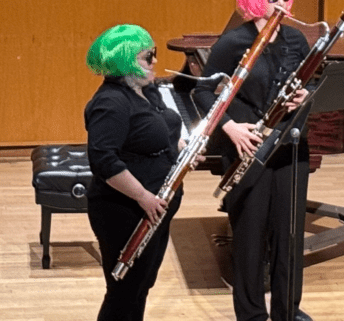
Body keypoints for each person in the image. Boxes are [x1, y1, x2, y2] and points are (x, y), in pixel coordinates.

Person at [193, 0, 312, 320]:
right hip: (248, 151)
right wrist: (230, 127)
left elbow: (313, 82)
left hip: (290, 149)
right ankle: (252, 315)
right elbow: (202, 92)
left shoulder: (296, 40)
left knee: (289, 239)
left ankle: (287, 312)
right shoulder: (233, 42)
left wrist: (307, 95)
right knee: (249, 239)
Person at [84, 24, 186, 320]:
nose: (155, 61)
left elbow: (156, 132)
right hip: (124, 210)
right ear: (126, 64)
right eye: (147, 57)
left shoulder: (145, 90)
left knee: (141, 284)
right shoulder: (110, 103)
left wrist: (180, 148)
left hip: (155, 207)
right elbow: (104, 160)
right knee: (124, 291)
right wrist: (144, 197)